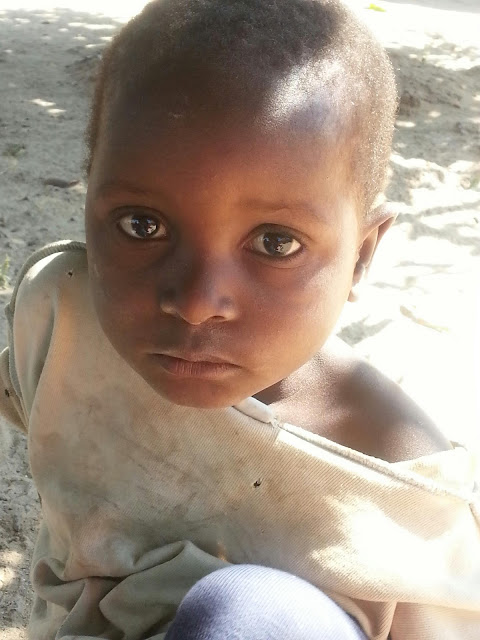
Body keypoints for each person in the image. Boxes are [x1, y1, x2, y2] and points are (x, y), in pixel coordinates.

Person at [0, 0, 479, 638]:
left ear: (361, 255)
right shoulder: (63, 318)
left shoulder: (401, 489)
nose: (197, 301)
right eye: (142, 225)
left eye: (275, 243)